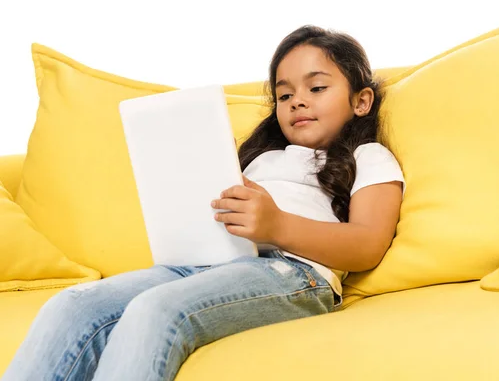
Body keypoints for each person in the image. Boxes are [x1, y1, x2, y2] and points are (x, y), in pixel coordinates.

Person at [2, 25, 404, 381]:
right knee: (72, 305)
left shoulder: (368, 156)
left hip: (293, 273)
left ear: (361, 101)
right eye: (284, 94)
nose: (297, 101)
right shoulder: (263, 160)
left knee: (154, 311)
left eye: (316, 88)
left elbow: (367, 244)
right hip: (206, 263)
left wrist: (277, 225)